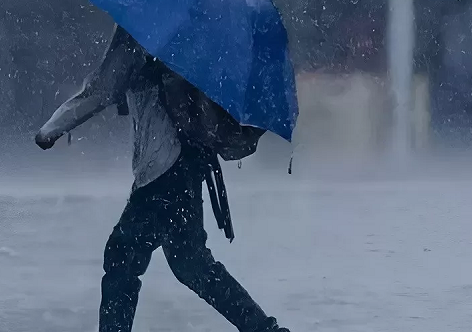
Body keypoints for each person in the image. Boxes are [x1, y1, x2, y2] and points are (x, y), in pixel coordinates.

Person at [35, 25, 290, 332]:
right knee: (191, 263)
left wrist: (52, 128)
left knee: (122, 256)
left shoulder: (140, 26)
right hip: (185, 162)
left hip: (163, 167)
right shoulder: (187, 29)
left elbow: (102, 89)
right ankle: (263, 329)